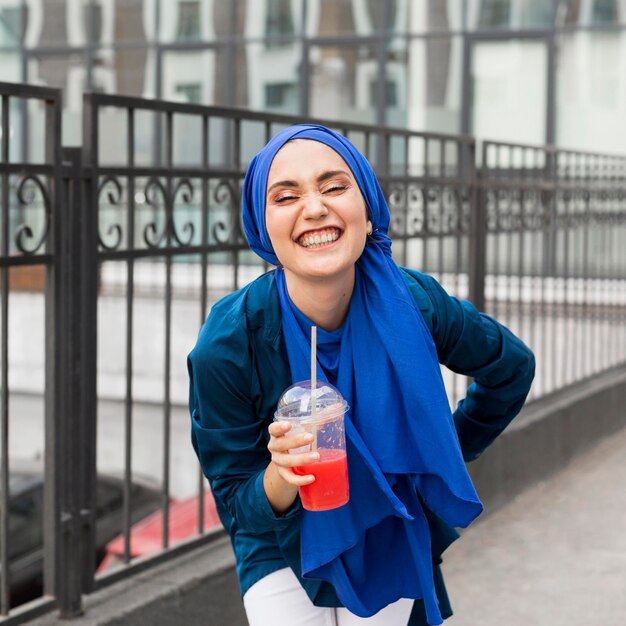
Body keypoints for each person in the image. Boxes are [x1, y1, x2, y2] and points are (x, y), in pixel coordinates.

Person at [188, 124, 535, 626]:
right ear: (263, 229)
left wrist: (444, 448)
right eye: (286, 196)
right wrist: (280, 477)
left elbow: (511, 368)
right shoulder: (228, 343)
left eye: (333, 187)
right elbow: (239, 504)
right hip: (280, 541)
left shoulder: (414, 304)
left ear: (367, 208)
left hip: (389, 522)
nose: (314, 208)